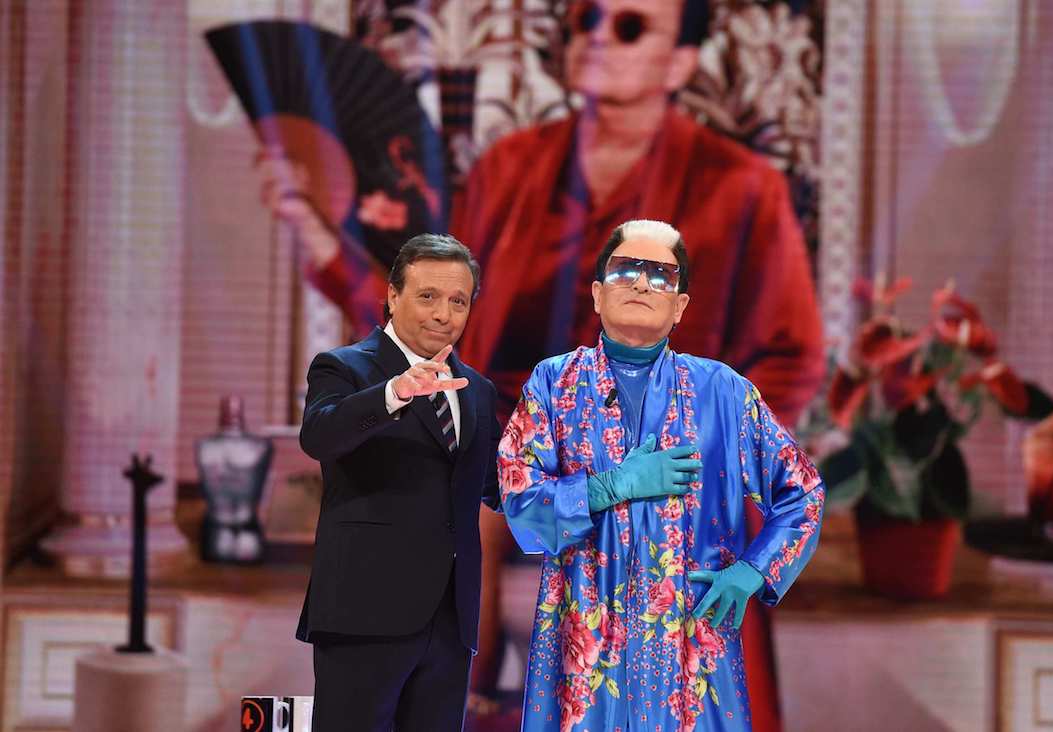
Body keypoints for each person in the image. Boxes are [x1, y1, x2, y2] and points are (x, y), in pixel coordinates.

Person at [259, 1, 823, 724]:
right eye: (586, 18)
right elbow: (435, 313)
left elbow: (795, 405)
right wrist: (321, 241)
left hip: (678, 512)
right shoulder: (510, 173)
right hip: (513, 463)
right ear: (596, 291)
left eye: (627, 26)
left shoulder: (740, 205)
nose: (596, 37)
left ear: (682, 61)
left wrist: (732, 524)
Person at [498, 220, 824, 732]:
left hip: (692, 641)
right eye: (625, 270)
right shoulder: (554, 383)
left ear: (680, 306)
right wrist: (607, 487)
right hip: (585, 639)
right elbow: (518, 498)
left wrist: (755, 570)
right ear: (598, 294)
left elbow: (802, 493)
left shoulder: (723, 392)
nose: (641, 283)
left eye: (660, 275)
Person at [295, 233, 502, 730]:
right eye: (427, 296)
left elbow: (497, 485)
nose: (443, 314)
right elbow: (319, 435)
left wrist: (591, 479)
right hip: (364, 614)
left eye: (458, 301)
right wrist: (394, 393)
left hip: (451, 622)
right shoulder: (345, 367)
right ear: (392, 295)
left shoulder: (477, 390)